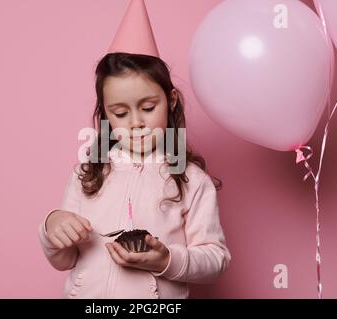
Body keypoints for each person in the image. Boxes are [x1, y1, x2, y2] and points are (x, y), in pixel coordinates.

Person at [38, 0, 230, 299]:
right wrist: (53, 227)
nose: (136, 123)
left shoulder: (192, 181)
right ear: (106, 114)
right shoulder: (86, 174)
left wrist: (167, 259)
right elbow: (63, 260)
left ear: (172, 100)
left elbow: (216, 260)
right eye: (120, 113)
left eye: (148, 107)